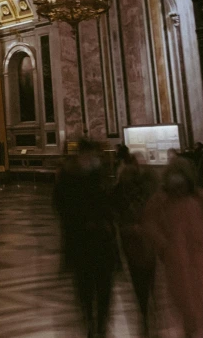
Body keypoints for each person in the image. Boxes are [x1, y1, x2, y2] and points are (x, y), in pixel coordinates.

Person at [54, 139, 116, 338]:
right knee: (86, 286)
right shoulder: (69, 176)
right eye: (92, 154)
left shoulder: (99, 173)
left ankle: (100, 324)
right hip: (82, 240)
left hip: (101, 239)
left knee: (104, 286)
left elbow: (110, 203)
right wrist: (85, 220)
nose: (95, 158)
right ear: (83, 154)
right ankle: (90, 321)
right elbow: (61, 205)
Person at [145, 157, 203, 338]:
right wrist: (164, 246)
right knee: (185, 300)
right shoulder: (161, 201)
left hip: (196, 255)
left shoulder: (197, 197)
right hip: (176, 258)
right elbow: (150, 224)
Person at [112, 154, 158, 335]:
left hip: (131, 239)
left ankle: (144, 306)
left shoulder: (120, 190)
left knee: (138, 272)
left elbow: (115, 213)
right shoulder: (148, 189)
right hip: (143, 239)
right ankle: (147, 303)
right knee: (147, 270)